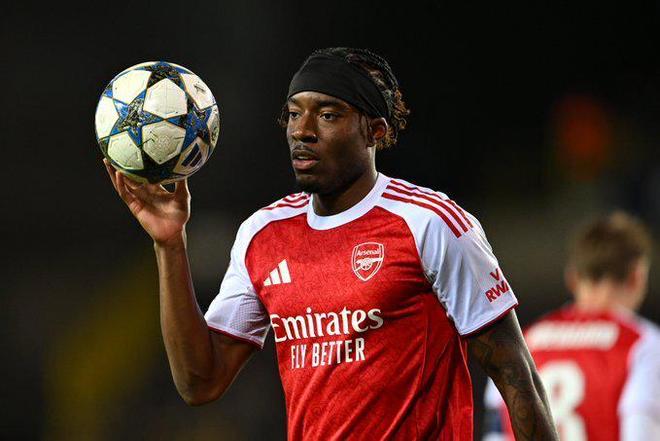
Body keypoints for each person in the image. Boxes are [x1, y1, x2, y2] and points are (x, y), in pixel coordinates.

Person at [104, 47, 558, 440]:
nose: (302, 130)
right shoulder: (263, 234)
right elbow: (200, 383)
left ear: (375, 131)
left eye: (327, 114)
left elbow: (516, 376)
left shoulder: (430, 224)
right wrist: (170, 245)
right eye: (293, 113)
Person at [482, 212, 660, 441]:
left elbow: (495, 434)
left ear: (572, 278)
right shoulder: (642, 346)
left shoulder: (523, 341)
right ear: (637, 277)